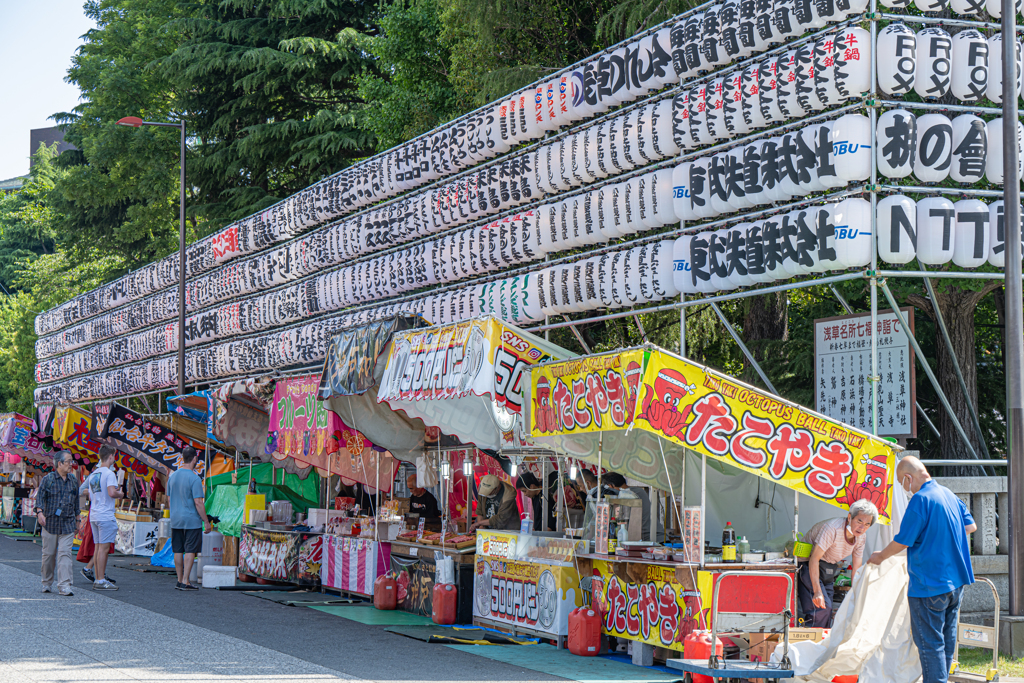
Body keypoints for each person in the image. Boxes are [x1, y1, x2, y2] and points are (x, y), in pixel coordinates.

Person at [869, 456, 976, 683]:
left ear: (908, 478)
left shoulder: (919, 500)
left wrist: (879, 557)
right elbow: (970, 526)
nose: (904, 489)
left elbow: (903, 541)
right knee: (947, 639)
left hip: (929, 584)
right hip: (956, 582)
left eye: (901, 483)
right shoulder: (948, 494)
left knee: (930, 644)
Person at [797, 499, 878, 627]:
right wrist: (817, 591)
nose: (862, 528)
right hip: (808, 564)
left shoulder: (861, 537)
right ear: (850, 517)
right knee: (821, 608)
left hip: (828, 567)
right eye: (859, 521)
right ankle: (811, 644)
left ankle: (823, 644)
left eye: (867, 524)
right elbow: (814, 558)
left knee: (828, 609)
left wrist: (856, 593)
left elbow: (856, 567)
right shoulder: (833, 528)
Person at [35, 451, 80, 596]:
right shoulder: (48, 479)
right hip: (50, 523)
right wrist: (40, 513)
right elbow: (40, 499)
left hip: (68, 522)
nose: (71, 465)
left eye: (72, 462)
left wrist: (78, 519)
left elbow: (76, 502)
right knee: (48, 555)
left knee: (65, 554)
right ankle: (46, 582)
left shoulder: (73, 480)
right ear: (59, 463)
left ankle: (65, 585)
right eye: (68, 461)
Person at [167, 446, 212, 590]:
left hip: (175, 518)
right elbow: (198, 502)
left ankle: (179, 579)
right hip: (191, 519)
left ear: (182, 458)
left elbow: (168, 499)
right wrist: (206, 521)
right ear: (195, 459)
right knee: (190, 550)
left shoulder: (172, 476)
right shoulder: (195, 478)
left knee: (178, 550)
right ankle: (186, 581)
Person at [87, 445, 124, 591]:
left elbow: (90, 495)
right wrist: (120, 494)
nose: (114, 459)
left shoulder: (94, 474)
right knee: (103, 548)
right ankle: (101, 579)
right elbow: (111, 492)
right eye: (114, 456)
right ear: (110, 457)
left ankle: (98, 578)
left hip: (94, 513)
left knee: (98, 548)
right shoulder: (109, 474)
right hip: (105, 514)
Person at [602, 473, 665, 543]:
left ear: (611, 486)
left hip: (652, 541)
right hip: (656, 539)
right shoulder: (638, 491)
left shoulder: (629, 495)